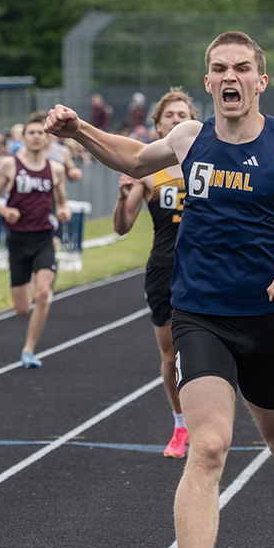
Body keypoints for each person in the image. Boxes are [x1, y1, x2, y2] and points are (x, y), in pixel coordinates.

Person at [45, 30, 274, 548]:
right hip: (199, 316)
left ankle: (272, 414)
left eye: (242, 68)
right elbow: (131, 159)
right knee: (209, 447)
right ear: (207, 81)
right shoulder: (188, 139)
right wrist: (78, 131)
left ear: (261, 80)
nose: (231, 77)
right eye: (219, 69)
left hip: (265, 320)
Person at [112, 89, 200, 459]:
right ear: (159, 125)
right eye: (169, 116)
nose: (176, 120)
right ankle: (180, 425)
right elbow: (122, 226)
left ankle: (206, 420)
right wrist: (123, 196)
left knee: (207, 349)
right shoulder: (149, 171)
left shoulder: (208, 163)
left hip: (205, 268)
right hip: (165, 269)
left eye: (183, 115)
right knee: (170, 354)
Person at [0, 117, 71, 368]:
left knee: (43, 293)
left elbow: (62, 202)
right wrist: (4, 211)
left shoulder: (55, 169)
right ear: (23, 137)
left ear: (47, 138)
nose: (36, 136)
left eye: (40, 133)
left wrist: (64, 211)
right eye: (31, 132)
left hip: (44, 238)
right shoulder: (9, 165)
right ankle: (31, 284)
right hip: (18, 241)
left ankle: (29, 349)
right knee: (22, 309)